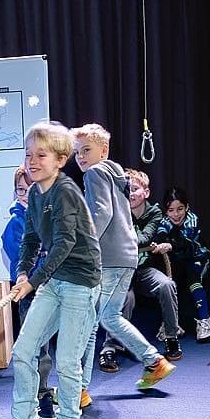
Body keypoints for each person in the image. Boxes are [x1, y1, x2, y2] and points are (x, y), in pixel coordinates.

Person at [0, 120, 102, 419]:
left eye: (40, 155)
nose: (32, 161)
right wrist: (23, 272)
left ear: (60, 159)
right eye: (28, 155)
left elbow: (63, 244)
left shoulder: (66, 191)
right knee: (24, 350)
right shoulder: (36, 192)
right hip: (52, 281)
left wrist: (33, 281)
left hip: (80, 282)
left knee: (67, 362)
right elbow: (30, 239)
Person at [74, 124, 174, 392]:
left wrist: (82, 243)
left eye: (86, 150)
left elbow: (102, 214)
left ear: (103, 150)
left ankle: (78, 390)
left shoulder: (95, 173)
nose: (80, 157)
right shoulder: (116, 174)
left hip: (109, 258)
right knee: (109, 317)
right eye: (77, 153)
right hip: (127, 257)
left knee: (88, 322)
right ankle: (154, 362)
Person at [3, 164, 60, 419]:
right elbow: (22, 259)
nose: (25, 194)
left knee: (52, 345)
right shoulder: (15, 225)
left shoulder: (51, 215)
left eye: (30, 188)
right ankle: (39, 396)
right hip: (31, 293)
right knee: (35, 348)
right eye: (20, 190)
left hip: (56, 289)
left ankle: (48, 389)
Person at [125, 168, 183, 361]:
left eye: (134, 188)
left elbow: (146, 237)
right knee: (125, 298)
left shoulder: (154, 212)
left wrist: (127, 241)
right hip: (123, 270)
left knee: (166, 284)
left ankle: (171, 336)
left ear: (146, 192)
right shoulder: (118, 212)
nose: (130, 193)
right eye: (127, 189)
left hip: (143, 269)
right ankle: (111, 347)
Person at [158, 186, 210, 342]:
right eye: (171, 210)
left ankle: (205, 320)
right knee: (169, 285)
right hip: (178, 261)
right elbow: (161, 234)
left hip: (197, 257)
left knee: (193, 280)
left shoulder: (192, 219)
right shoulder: (164, 221)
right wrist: (161, 241)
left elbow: (185, 243)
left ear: (187, 207)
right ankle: (170, 324)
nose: (176, 214)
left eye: (180, 209)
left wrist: (170, 245)